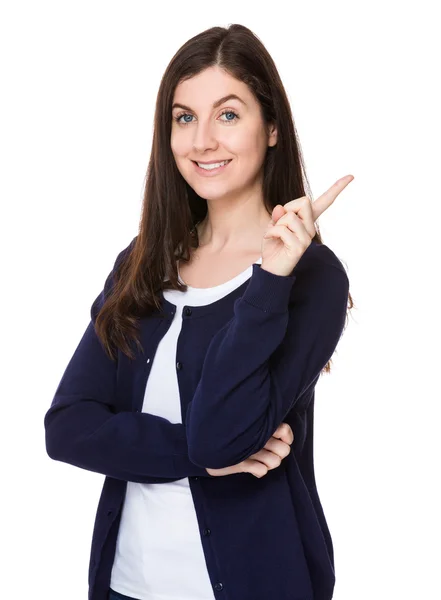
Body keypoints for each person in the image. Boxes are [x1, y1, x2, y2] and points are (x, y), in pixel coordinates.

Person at [44, 23, 354, 600]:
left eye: (229, 114)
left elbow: (222, 435)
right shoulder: (141, 264)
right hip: (124, 586)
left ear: (273, 129)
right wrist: (198, 458)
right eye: (185, 117)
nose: (203, 140)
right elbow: (66, 428)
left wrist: (271, 279)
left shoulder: (311, 279)